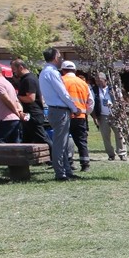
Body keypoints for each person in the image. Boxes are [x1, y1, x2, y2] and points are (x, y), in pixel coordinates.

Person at [39, 47, 81, 181]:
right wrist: (74, 108)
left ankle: (66, 171)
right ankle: (60, 173)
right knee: (60, 143)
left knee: (61, 143)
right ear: (55, 57)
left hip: (55, 110)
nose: (61, 59)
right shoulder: (52, 73)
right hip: (59, 110)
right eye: (59, 56)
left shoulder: (45, 72)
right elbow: (63, 93)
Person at [61, 61, 93, 171]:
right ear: (75, 70)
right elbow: (91, 101)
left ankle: (69, 163)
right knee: (81, 141)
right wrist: (85, 112)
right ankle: (85, 164)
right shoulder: (83, 83)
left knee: (66, 140)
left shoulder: (61, 81)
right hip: (80, 117)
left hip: (66, 116)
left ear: (63, 70)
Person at [0, 63, 26, 143]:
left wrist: (16, 111)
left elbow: (6, 99)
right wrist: (19, 111)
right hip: (11, 119)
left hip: (5, 119)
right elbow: (16, 100)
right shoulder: (7, 83)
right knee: (14, 143)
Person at [11, 59, 48, 146]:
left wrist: (17, 97)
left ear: (20, 67)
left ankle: (55, 157)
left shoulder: (29, 79)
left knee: (42, 138)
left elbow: (30, 98)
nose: (13, 72)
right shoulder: (25, 79)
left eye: (14, 70)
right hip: (28, 114)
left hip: (33, 114)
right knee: (27, 140)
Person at [92, 72, 126, 160]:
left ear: (106, 80)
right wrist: (95, 117)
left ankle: (122, 153)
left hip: (115, 115)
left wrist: (121, 113)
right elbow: (92, 104)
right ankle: (111, 154)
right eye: (96, 81)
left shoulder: (114, 89)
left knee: (119, 134)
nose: (98, 83)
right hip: (102, 116)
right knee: (105, 136)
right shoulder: (94, 90)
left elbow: (121, 101)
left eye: (100, 81)